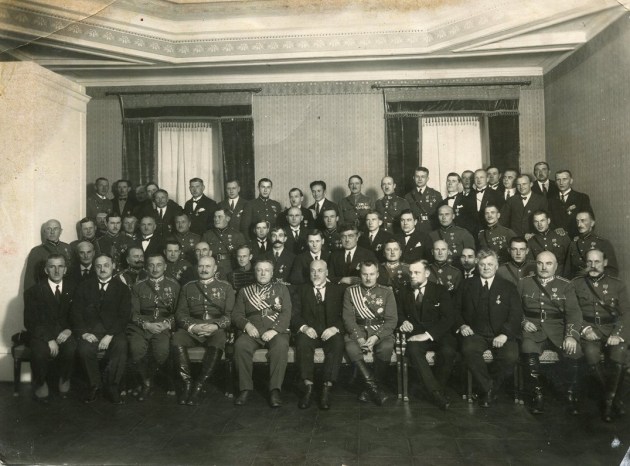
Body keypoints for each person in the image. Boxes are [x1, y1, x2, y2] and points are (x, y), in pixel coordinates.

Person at [518, 251, 583, 415]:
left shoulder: (566, 285)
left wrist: (571, 336)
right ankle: (537, 394)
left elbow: (574, 313)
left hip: (558, 330)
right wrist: (523, 322)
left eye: (548, 264)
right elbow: (515, 309)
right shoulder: (524, 283)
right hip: (533, 330)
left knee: (574, 351)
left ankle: (570, 395)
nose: (544, 267)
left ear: (556, 266)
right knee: (527, 348)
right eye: (540, 263)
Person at [457, 249, 522, 407]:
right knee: (468, 350)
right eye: (482, 264)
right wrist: (462, 325)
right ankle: (489, 389)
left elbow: (515, 314)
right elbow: (455, 310)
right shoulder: (466, 284)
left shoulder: (508, 286)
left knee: (510, 356)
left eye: (490, 264)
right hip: (476, 333)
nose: (486, 268)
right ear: (477, 265)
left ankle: (488, 389)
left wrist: (505, 334)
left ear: (496, 266)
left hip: (501, 334)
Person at [574, 249, 629, 422]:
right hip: (590, 330)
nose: (593, 265)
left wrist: (617, 334)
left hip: (612, 329)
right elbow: (573, 312)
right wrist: (585, 329)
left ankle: (608, 401)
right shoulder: (576, 284)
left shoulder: (617, 285)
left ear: (605, 263)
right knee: (591, 354)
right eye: (589, 262)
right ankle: (613, 400)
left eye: (597, 262)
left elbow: (626, 313)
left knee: (619, 354)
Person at [172, 256, 235, 405]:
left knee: (220, 338)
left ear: (215, 269)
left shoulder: (226, 287)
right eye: (201, 266)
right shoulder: (188, 287)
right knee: (177, 338)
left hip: (215, 328)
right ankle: (187, 384)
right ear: (197, 268)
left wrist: (216, 325)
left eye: (208, 266)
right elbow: (180, 313)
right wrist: (192, 327)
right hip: (193, 326)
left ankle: (199, 385)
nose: (204, 269)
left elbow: (230, 315)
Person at [232, 259, 292, 407]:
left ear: (272, 273)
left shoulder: (281, 289)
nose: (263, 273)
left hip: (275, 331)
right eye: (259, 270)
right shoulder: (245, 291)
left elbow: (286, 313)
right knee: (240, 345)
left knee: (280, 346)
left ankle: (274, 390)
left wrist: (274, 330)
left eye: (267, 270)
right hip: (253, 331)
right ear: (255, 272)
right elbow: (237, 315)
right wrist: (247, 326)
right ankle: (245, 388)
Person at [72, 254, 131, 404]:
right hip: (91, 331)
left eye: (106, 265)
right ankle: (95, 385)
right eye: (98, 266)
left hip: (114, 331)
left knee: (121, 345)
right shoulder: (84, 286)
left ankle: (112, 386)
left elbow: (124, 315)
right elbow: (75, 312)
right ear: (94, 268)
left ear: (113, 266)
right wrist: (84, 333)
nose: (102, 269)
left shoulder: (122, 288)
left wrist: (110, 335)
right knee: (84, 349)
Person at [398, 259, 455, 409]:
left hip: (439, 334)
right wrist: (403, 321)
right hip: (416, 334)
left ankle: (436, 388)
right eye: (410, 272)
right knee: (413, 349)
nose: (412, 276)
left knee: (448, 351)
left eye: (417, 272)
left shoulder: (440, 290)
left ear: (427, 273)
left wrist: (428, 334)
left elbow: (448, 318)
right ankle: (436, 393)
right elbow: (399, 313)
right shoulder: (404, 291)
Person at [292, 260, 345, 410]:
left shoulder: (338, 290)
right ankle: (308, 388)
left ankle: (326, 389)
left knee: (338, 343)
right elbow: (294, 314)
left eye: (320, 270)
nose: (316, 274)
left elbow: (346, 315)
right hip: (310, 332)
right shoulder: (301, 290)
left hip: (330, 332)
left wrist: (335, 328)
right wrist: (304, 327)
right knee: (302, 342)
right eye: (313, 271)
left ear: (326, 272)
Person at [24, 254, 77, 401]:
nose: (57, 270)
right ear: (46, 270)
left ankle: (64, 378)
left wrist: (69, 330)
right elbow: (30, 321)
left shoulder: (74, 289)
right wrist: (48, 339)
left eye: (60, 266)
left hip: (65, 332)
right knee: (40, 352)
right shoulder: (33, 292)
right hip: (41, 334)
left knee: (70, 348)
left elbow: (77, 315)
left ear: (65, 270)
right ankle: (40, 382)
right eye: (52, 267)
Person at [127, 254, 180, 401]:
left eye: (159, 265)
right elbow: (133, 312)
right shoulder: (138, 286)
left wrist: (167, 323)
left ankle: (147, 380)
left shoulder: (174, 286)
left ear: (165, 266)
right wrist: (146, 324)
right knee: (136, 348)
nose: (155, 268)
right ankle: (146, 383)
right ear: (146, 267)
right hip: (142, 325)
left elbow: (179, 312)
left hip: (163, 325)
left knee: (162, 351)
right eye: (151, 265)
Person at [343, 261, 395, 405]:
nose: (368, 278)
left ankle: (368, 390)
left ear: (377, 274)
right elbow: (348, 319)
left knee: (386, 347)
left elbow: (391, 320)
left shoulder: (387, 292)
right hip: (358, 329)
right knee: (351, 347)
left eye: (371, 274)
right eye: (365, 274)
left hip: (380, 329)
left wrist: (376, 336)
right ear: (360, 275)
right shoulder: (350, 291)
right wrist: (359, 338)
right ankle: (375, 389)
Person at [566, 211, 618, 278]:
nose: (579, 225)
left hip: (597, 282)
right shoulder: (573, 243)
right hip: (577, 282)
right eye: (577, 221)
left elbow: (612, 271)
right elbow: (567, 272)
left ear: (592, 223)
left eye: (583, 221)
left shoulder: (603, 243)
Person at [25, 219, 73, 290]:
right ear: (45, 232)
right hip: (45, 290)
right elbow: (30, 278)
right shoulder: (36, 251)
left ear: (61, 231)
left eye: (55, 229)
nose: (52, 232)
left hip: (66, 289)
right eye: (49, 229)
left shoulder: (67, 248)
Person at [202, 208, 247, 279]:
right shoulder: (207, 235)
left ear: (227, 218)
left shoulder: (237, 235)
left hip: (230, 269)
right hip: (212, 268)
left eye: (219, 217)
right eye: (215, 217)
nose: (216, 219)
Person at [548, 170, 594, 238]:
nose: (561, 182)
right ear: (555, 182)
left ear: (571, 181)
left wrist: (581, 236)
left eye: (564, 179)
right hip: (557, 239)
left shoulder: (582, 198)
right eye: (558, 180)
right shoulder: (550, 200)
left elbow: (589, 220)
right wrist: (555, 229)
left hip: (577, 238)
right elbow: (548, 220)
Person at [527, 210, 571, 277]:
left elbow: (569, 261)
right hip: (541, 278)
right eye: (536, 221)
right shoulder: (531, 241)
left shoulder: (562, 236)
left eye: (542, 220)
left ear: (548, 221)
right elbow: (531, 265)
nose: (539, 224)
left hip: (561, 277)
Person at [404, 166, 443, 232]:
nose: (420, 179)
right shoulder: (408, 196)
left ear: (427, 178)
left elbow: (441, 213)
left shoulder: (436, 194)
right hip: (415, 229)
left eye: (422, 177)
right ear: (413, 178)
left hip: (431, 229)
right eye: (417, 176)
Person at [468, 168, 502, 234]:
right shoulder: (469, 196)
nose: (479, 180)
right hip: (472, 233)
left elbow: (501, 215)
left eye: (481, 177)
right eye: (476, 178)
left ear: (487, 179)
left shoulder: (496, 194)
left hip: (491, 231)